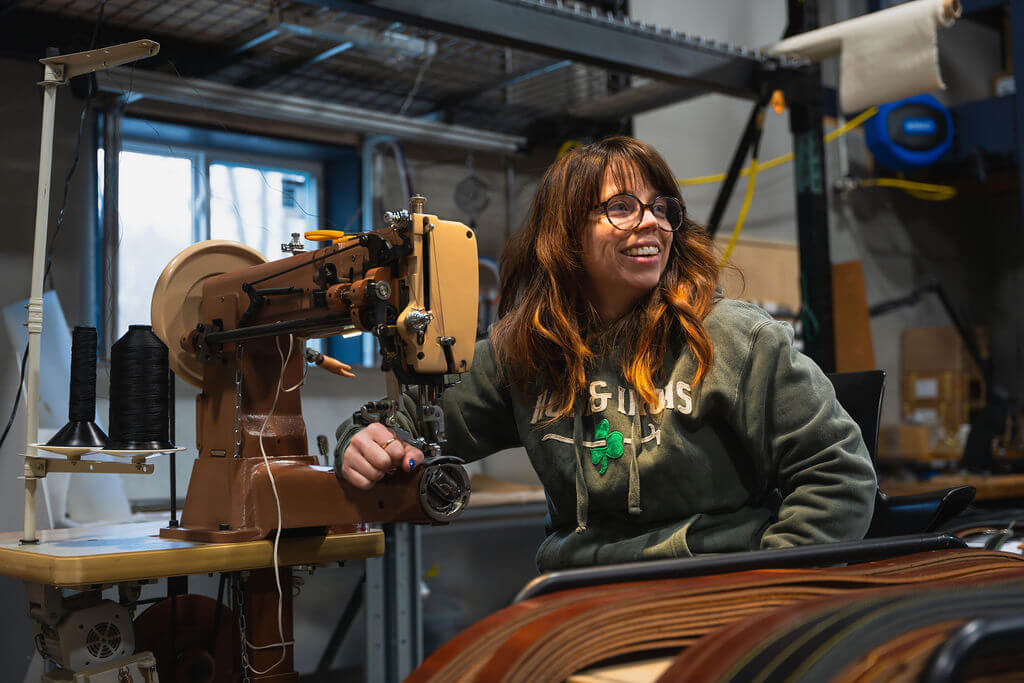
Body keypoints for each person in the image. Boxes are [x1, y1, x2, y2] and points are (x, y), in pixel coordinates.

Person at [335, 136, 877, 572]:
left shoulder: (738, 338)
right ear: (566, 232)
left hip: (713, 590)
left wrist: (765, 592)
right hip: (576, 590)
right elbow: (399, 425)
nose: (653, 222)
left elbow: (839, 478)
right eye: (622, 208)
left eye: (663, 208)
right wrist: (360, 444)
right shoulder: (521, 351)